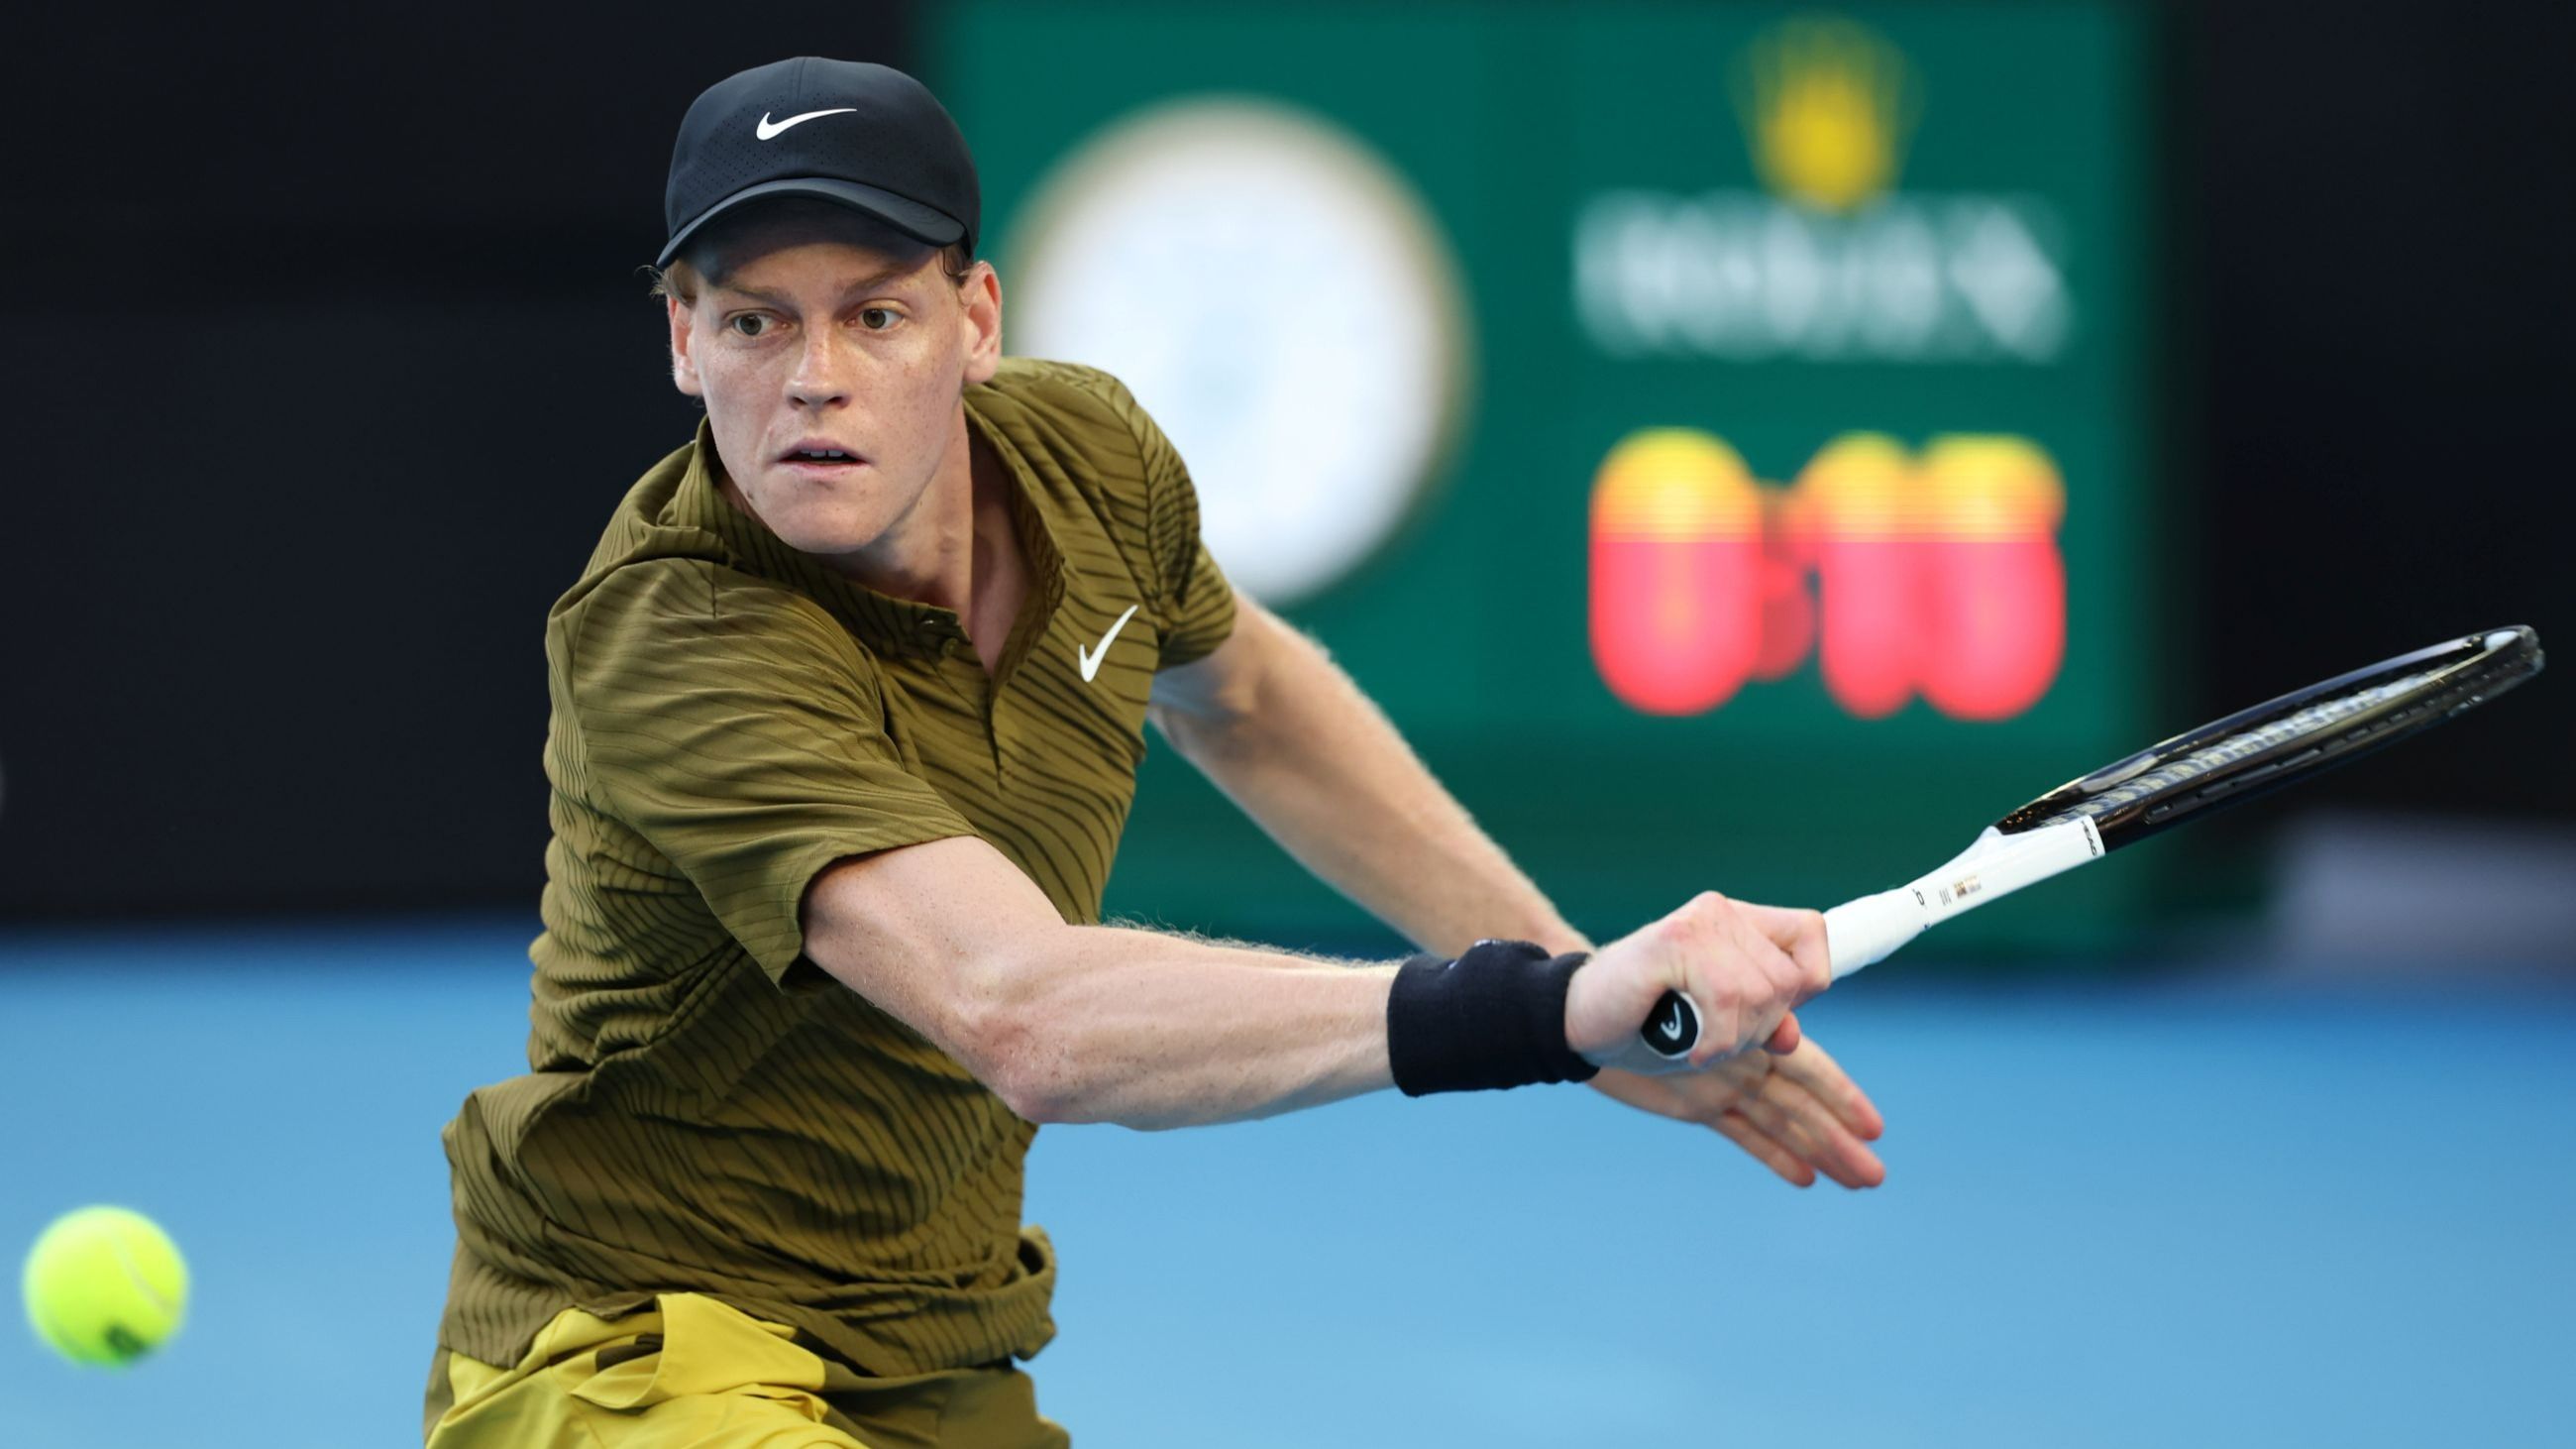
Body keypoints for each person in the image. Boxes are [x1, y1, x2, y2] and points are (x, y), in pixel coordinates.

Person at [423, 56, 1886, 1449]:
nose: (815, 376)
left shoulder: (1091, 458)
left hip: (932, 1345)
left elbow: (1249, 701)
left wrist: (1583, 986)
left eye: (875, 315)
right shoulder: (673, 632)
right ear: (683, 339)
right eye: (754, 321)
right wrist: (1545, 1008)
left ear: (975, 320)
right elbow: (1021, 1013)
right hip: (631, 1354)